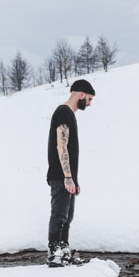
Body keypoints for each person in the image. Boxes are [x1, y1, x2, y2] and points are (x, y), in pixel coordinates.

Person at [46, 79, 96, 267]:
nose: (89, 103)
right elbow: (61, 145)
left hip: (67, 178)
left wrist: (74, 179)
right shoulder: (63, 113)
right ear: (80, 94)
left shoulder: (68, 114)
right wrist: (67, 176)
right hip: (60, 176)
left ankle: (64, 254)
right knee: (59, 215)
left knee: (67, 217)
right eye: (89, 99)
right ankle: (54, 255)